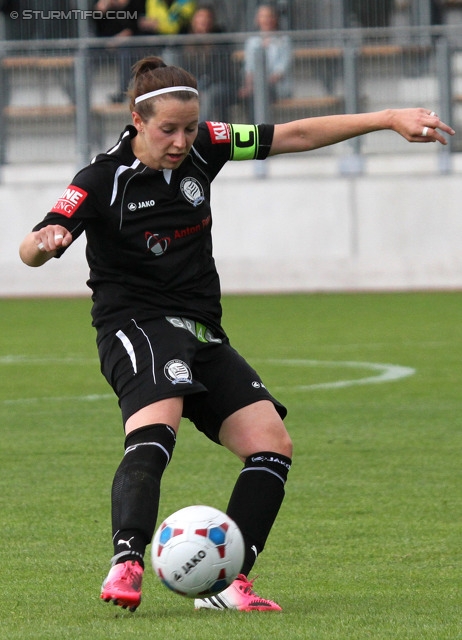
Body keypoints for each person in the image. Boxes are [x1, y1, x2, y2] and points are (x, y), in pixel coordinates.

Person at [19, 55, 454, 613]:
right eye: (168, 129)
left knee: (272, 444)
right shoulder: (102, 179)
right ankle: (126, 560)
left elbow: (294, 133)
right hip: (136, 324)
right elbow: (32, 247)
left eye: (190, 127)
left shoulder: (209, 146)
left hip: (202, 329)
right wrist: (47, 239)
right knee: (158, 427)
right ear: (136, 119)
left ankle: (227, 585)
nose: (181, 141)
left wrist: (387, 116)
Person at [238, 4, 292, 122]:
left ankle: (260, 128)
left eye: (269, 16)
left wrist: (260, 83)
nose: (266, 20)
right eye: (263, 16)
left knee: (258, 92)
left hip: (276, 87)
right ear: (257, 19)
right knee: (249, 95)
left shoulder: (283, 40)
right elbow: (249, 68)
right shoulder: (252, 41)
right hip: (255, 87)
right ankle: (255, 128)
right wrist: (250, 85)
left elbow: (281, 70)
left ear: (275, 18)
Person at [182, 4, 234, 122]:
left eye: (207, 17)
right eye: (200, 17)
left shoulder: (220, 39)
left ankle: (201, 131)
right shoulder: (185, 41)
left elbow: (222, 70)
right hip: (196, 85)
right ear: (193, 20)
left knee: (209, 95)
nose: (204, 21)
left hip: (220, 85)